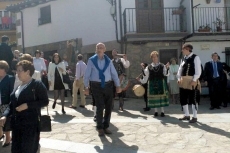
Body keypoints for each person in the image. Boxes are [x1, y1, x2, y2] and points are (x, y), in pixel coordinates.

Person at [0, 60, 48, 153]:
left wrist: (28, 105)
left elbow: (44, 101)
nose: (17, 73)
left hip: (30, 125)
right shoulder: (18, 87)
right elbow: (11, 104)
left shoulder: (37, 84)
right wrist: (5, 115)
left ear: (28, 72)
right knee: (16, 150)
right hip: (17, 126)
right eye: (17, 70)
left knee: (28, 149)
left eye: (19, 70)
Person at [84, 43, 122, 137]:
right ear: (96, 50)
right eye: (98, 47)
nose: (100, 49)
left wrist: (118, 85)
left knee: (109, 106)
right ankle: (100, 127)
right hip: (96, 86)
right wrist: (86, 87)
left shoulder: (109, 61)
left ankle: (106, 126)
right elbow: (87, 74)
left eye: (101, 47)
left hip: (108, 85)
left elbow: (113, 74)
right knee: (100, 106)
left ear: (104, 49)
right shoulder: (91, 60)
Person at [137, 51, 169, 117]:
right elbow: (146, 74)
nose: (154, 58)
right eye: (153, 57)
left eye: (155, 57)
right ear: (151, 58)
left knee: (161, 97)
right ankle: (156, 112)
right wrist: (143, 68)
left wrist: (167, 68)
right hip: (152, 83)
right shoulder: (149, 67)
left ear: (157, 57)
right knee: (154, 98)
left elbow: (165, 74)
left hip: (160, 82)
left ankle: (162, 112)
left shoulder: (162, 65)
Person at [177, 44, 201, 123]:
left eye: (183, 49)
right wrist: (178, 78)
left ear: (187, 49)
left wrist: (194, 80)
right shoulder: (184, 58)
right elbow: (180, 69)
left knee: (193, 99)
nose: (182, 51)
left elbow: (198, 70)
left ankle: (194, 117)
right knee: (183, 98)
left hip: (192, 80)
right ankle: (186, 115)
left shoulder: (195, 57)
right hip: (183, 81)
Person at [0, 60, 15, 147]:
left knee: (5, 122)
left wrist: (10, 103)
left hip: (5, 103)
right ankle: (1, 135)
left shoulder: (10, 78)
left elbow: (11, 92)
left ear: (4, 69)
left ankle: (8, 138)